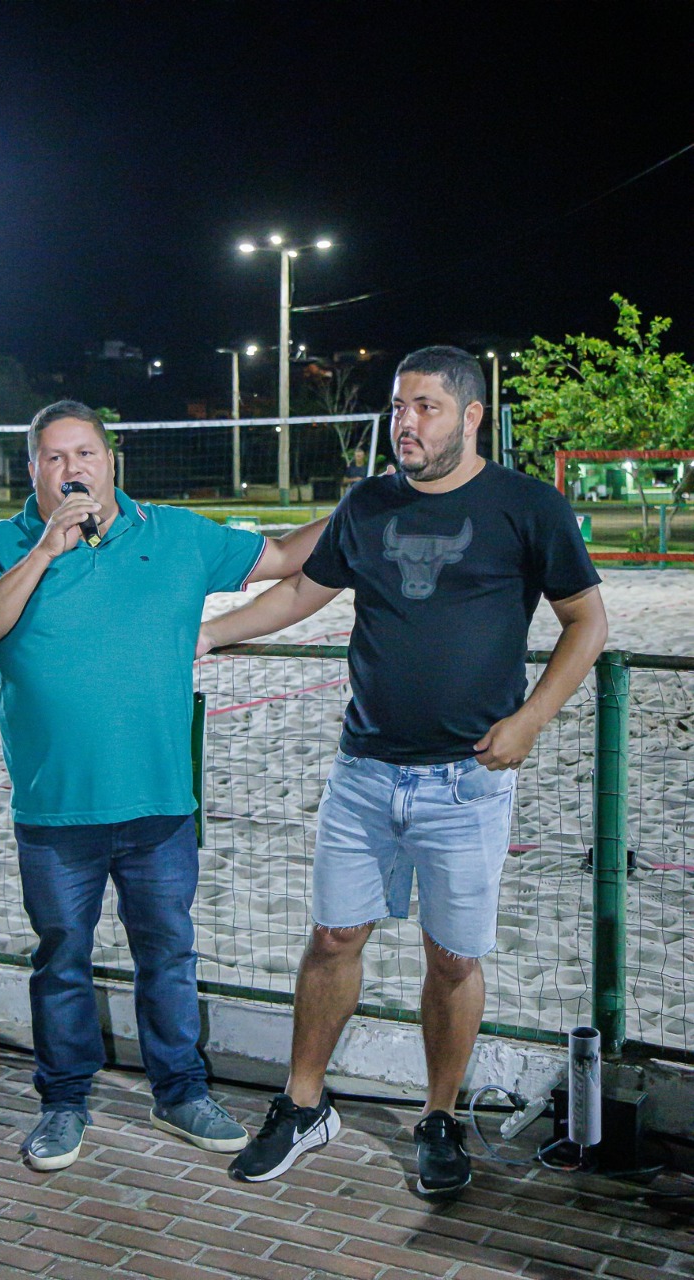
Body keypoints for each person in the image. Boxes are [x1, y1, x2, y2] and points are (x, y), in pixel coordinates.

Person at [197, 346, 608, 1197]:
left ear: (471, 415)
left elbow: (586, 622)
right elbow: (302, 593)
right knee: (331, 939)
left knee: (451, 959)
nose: (405, 423)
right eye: (397, 407)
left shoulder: (528, 506)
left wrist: (530, 719)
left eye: (425, 407)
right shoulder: (368, 503)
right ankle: (301, 1106)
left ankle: (439, 1117)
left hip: (467, 781)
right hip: (362, 772)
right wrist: (207, 634)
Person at [0, 400, 329, 1173]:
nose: (72, 469)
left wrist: (373, 501)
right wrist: (45, 550)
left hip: (160, 803)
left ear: (110, 461)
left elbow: (288, 556)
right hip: (56, 807)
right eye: (54, 457)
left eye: (84, 453)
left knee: (168, 954)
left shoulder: (175, 534)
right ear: (32, 469)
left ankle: (179, 1091)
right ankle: (62, 1103)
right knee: (61, 960)